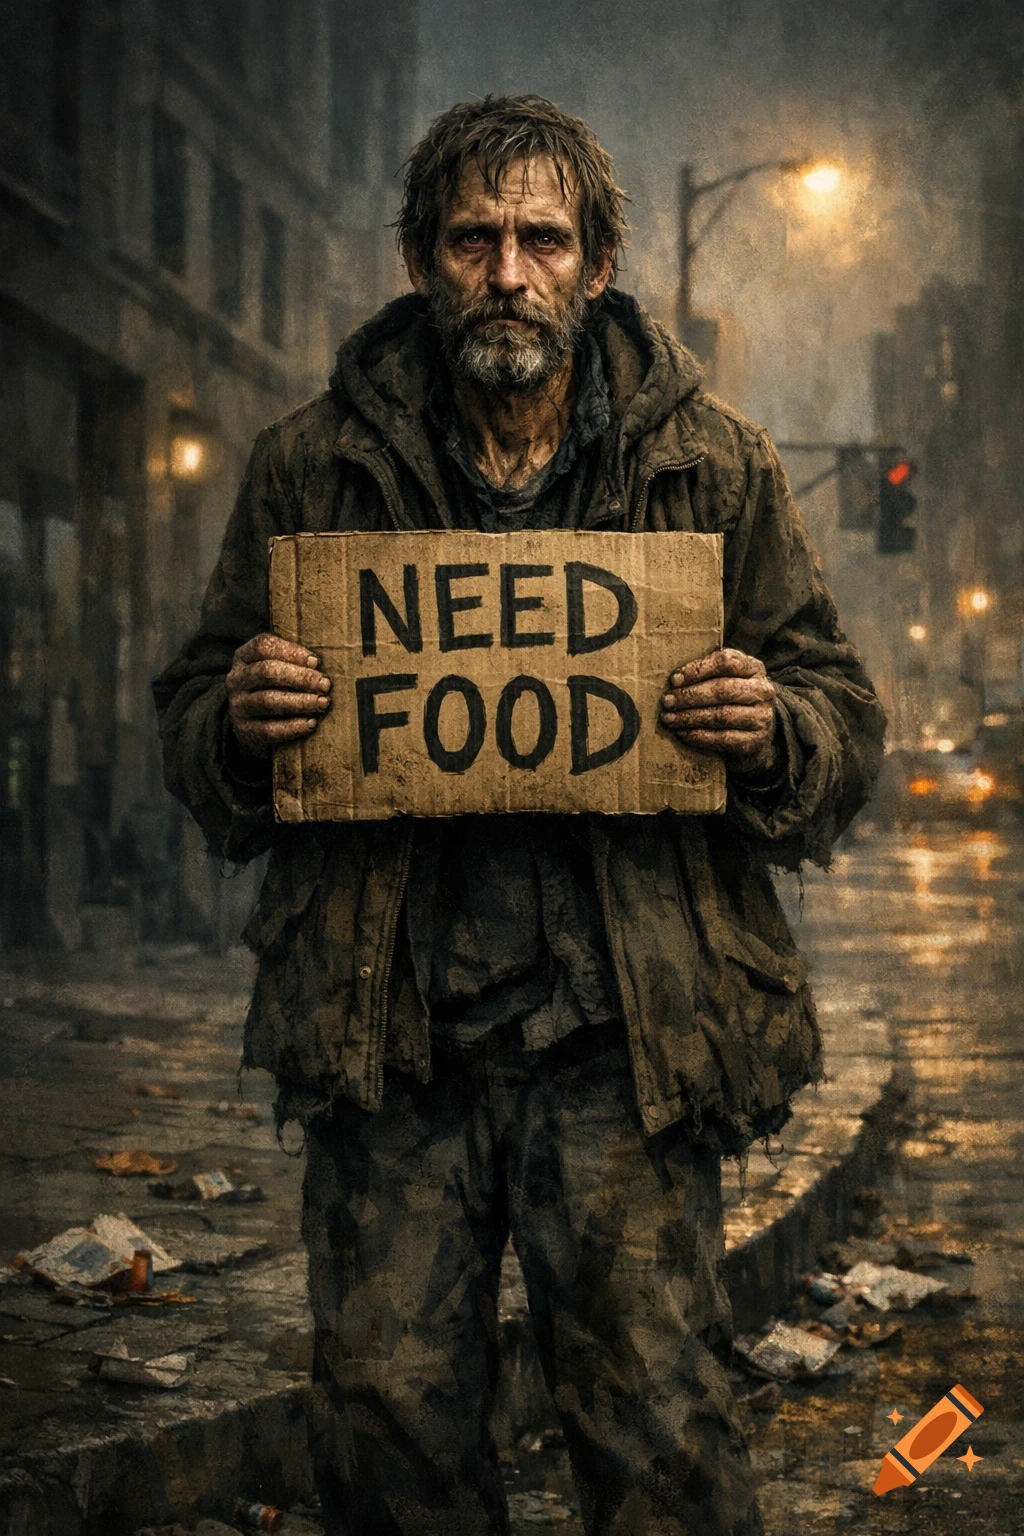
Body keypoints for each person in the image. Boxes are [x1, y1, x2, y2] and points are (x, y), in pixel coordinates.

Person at [154, 94, 885, 1536]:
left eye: (541, 240)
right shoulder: (312, 468)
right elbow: (194, 718)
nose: (508, 273)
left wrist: (774, 728)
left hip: (625, 1044)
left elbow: (842, 715)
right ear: (421, 260)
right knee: (387, 1435)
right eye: (473, 238)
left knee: (659, 1435)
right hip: (394, 1044)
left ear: (597, 265)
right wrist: (236, 722)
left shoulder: (716, 466)